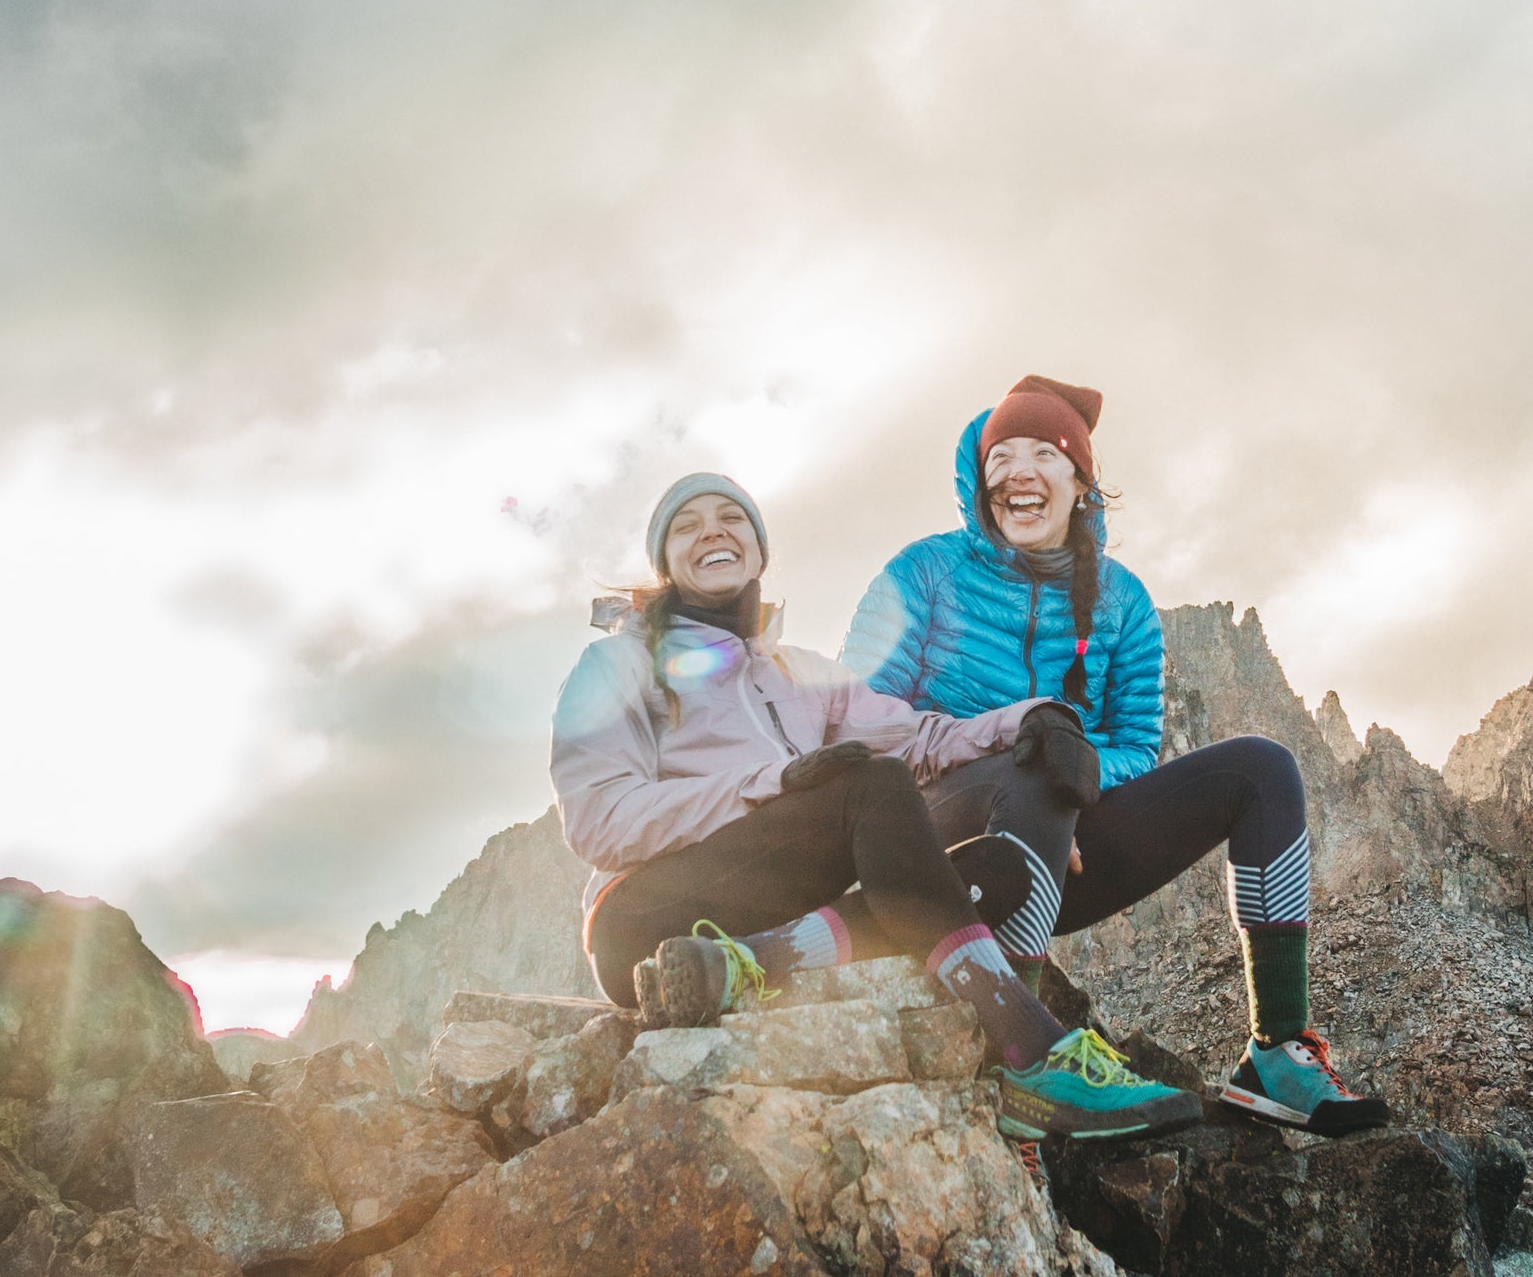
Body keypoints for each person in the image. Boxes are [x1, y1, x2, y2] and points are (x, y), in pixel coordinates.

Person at [549, 470, 1210, 1143]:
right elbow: (599, 819)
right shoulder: (618, 664)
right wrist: (773, 782)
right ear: (665, 562)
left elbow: (917, 737)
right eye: (687, 526)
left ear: (759, 548)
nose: (712, 532)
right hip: (642, 921)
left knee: (1000, 868)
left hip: (750, 913)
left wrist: (1031, 719)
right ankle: (1030, 1049)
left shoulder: (804, 673)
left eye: (732, 518)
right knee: (873, 785)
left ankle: (743, 965)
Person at [840, 377, 1387, 1137]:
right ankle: (1021, 1064)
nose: (1021, 471)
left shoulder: (1122, 601)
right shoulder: (923, 573)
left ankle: (1275, 1051)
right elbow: (857, 726)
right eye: (1002, 456)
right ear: (981, 480)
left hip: (1064, 849)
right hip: (938, 844)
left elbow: (1135, 747)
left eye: (1045, 454)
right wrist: (1022, 764)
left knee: (1261, 770)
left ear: (1080, 483)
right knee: (1039, 751)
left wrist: (1069, 793)